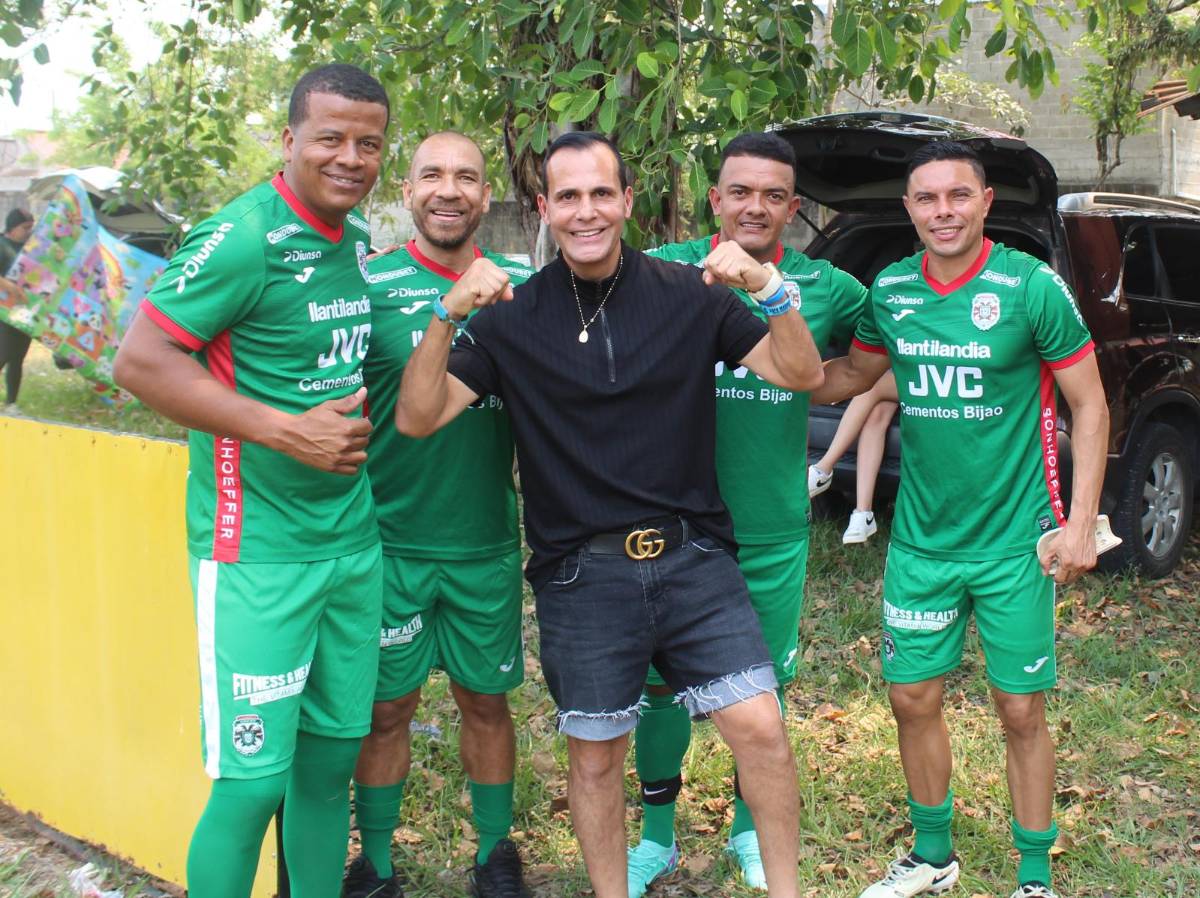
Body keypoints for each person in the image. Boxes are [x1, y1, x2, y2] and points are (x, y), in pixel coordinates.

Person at [394, 131, 825, 898]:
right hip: (581, 573)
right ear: (544, 208)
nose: (585, 211)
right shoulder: (509, 316)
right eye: (567, 196)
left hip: (696, 558)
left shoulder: (694, 294)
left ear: (627, 202)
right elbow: (418, 417)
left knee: (760, 728)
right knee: (596, 755)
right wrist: (444, 313)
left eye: (601, 194)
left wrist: (768, 288)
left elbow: (802, 372)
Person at [112, 64, 390, 898]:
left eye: (368, 143)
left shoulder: (359, 242)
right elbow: (141, 361)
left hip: (352, 547)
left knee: (326, 770)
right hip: (254, 555)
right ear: (290, 140)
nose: (349, 157)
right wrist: (286, 432)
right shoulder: (240, 237)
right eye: (330, 138)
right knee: (250, 783)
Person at [813, 141, 1108, 898]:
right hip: (922, 542)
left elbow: (1091, 404)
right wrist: (763, 358)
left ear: (984, 203)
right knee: (912, 697)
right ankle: (933, 856)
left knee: (1019, 709)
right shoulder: (893, 290)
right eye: (926, 199)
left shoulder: (1028, 285)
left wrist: (1079, 525)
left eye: (957, 196)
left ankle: (1035, 877)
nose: (942, 211)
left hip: (1016, 541)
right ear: (909, 209)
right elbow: (853, 377)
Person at [633, 132, 867, 893]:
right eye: (740, 191)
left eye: (773, 195)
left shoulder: (826, 286)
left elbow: (869, 358)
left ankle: (744, 833)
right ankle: (655, 836)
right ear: (716, 199)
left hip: (768, 527)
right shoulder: (668, 270)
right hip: (670, 526)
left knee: (759, 693)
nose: (755, 207)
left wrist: (825, 386)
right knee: (659, 688)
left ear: (793, 208)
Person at [343, 131, 535, 898]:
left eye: (466, 177)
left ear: (488, 196)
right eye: (431, 175)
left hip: (484, 540)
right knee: (387, 709)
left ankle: (494, 855)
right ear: (406, 190)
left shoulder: (526, 285)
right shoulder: (367, 286)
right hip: (386, 541)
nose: (448, 189)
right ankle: (378, 864)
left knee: (484, 701)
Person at [809, 370, 898, 544]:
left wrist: (847, 386)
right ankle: (863, 513)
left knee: (872, 387)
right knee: (877, 414)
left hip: (940, 371)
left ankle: (823, 468)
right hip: (910, 367)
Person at [0, 207, 35, 411]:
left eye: (31, 228)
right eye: (25, 228)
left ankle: (11, 403)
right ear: (12, 228)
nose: (29, 232)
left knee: (18, 358)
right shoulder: (3, 245)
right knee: (3, 354)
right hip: (4, 313)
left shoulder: (29, 247)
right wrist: (11, 287)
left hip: (25, 312)